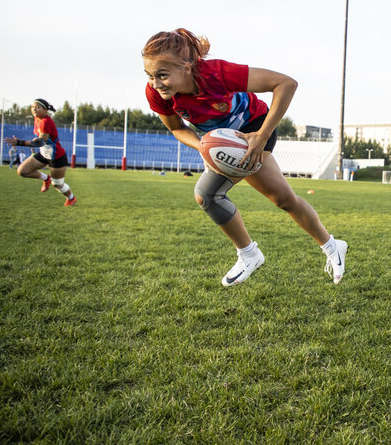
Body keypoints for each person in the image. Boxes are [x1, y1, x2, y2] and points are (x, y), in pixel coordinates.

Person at [141, 28, 347, 286]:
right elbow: (177, 128)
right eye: (149, 75)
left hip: (255, 129)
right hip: (226, 141)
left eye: (162, 75)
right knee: (283, 199)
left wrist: (262, 135)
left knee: (209, 194)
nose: (155, 83)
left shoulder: (217, 74)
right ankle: (331, 246)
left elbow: (285, 84)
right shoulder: (157, 94)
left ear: (187, 67)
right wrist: (202, 147)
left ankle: (251, 254)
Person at [4, 99, 77, 206]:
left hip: (56, 157)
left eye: (38, 107)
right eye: (33, 106)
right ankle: (46, 178)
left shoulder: (46, 121)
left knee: (57, 184)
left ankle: (71, 198)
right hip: (44, 154)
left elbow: (40, 142)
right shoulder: (37, 118)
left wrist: (19, 142)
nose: (34, 109)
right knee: (22, 171)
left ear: (46, 110)